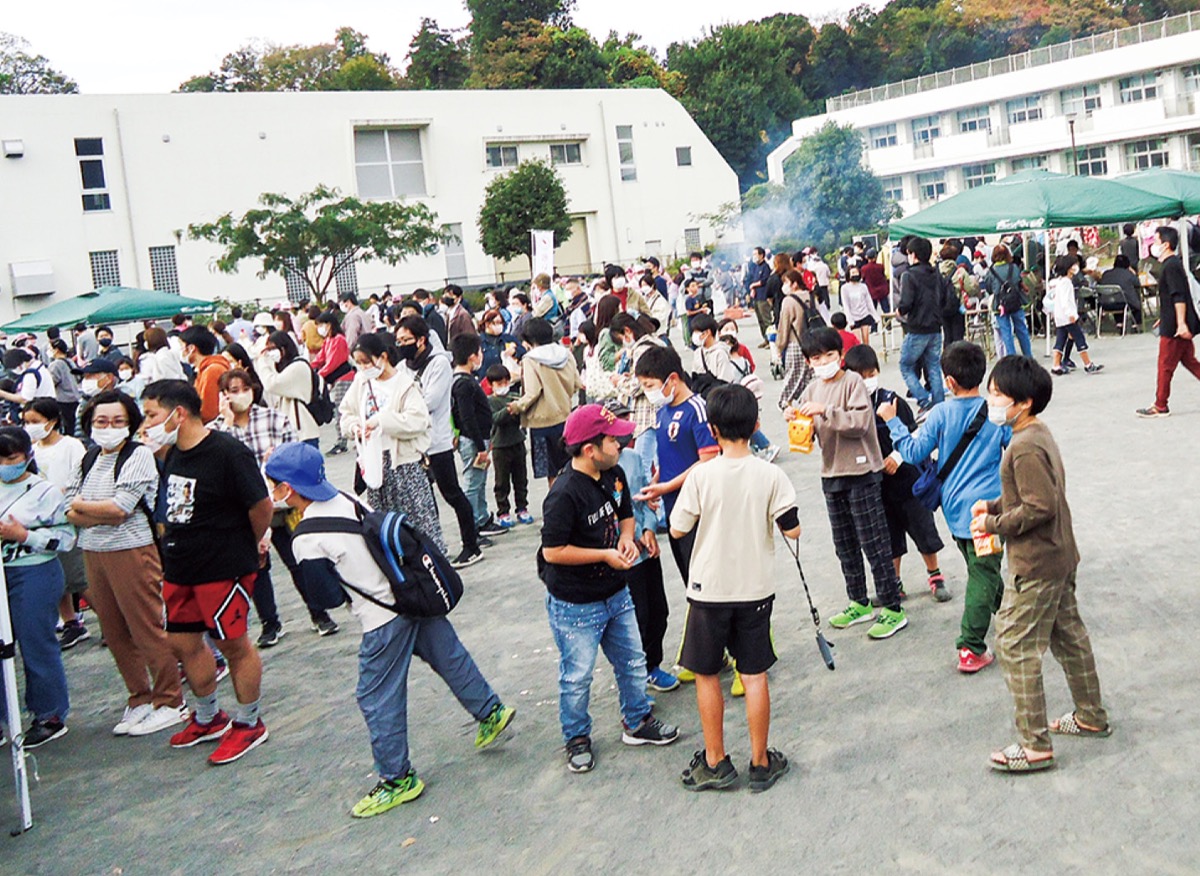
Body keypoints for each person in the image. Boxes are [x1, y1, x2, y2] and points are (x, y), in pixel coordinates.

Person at [264, 444, 515, 818]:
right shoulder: (348, 499)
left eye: (274, 485)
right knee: (449, 656)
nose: (272, 491)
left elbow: (327, 598)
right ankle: (491, 712)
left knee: (375, 695)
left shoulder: (305, 537)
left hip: (381, 618)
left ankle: (397, 779)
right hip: (410, 595)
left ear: (288, 488)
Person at [971, 356, 1110, 772]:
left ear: (1024, 402)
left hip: (1036, 562)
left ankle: (1034, 745)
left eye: (999, 394)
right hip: (1059, 553)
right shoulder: (1035, 433)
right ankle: (1090, 715)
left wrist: (993, 523)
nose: (992, 400)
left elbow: (1038, 506)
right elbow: (1033, 493)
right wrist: (995, 505)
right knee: (1068, 635)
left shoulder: (1024, 445)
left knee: (1014, 645)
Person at [670, 385, 799, 791]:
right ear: (756, 424)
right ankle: (761, 762)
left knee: (707, 673)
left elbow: (677, 527)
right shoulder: (771, 475)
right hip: (755, 588)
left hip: (708, 590)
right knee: (755, 673)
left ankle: (715, 761)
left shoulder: (701, 475)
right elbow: (793, 529)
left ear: (712, 429)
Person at [539, 404, 680, 774]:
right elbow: (553, 552)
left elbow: (626, 514)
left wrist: (627, 539)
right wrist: (604, 554)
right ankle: (576, 737)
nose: (622, 444)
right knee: (577, 676)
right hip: (575, 604)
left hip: (617, 593)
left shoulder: (614, 473)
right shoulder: (563, 494)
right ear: (590, 449)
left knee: (633, 661)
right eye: (613, 440)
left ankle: (637, 720)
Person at [141, 380, 273, 765]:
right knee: (182, 642)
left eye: (151, 415)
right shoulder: (172, 453)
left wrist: (250, 544)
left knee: (233, 644)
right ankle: (208, 716)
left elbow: (261, 506)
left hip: (223, 566)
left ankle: (249, 722)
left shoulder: (228, 452)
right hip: (181, 566)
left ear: (178, 414)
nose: (146, 425)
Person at [880, 341, 1009, 672]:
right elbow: (1016, 449)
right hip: (988, 512)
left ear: (949, 381)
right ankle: (971, 645)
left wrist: (893, 422)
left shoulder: (940, 414)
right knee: (984, 572)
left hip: (954, 510)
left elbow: (913, 452)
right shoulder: (997, 415)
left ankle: (1009, 614)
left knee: (981, 569)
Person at [64, 390, 187, 736]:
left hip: (132, 549)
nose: (109, 427)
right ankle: (140, 696)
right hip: (93, 550)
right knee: (114, 630)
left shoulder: (138, 455)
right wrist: (91, 510)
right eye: (101, 421)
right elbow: (68, 506)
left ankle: (170, 699)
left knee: (147, 626)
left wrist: (83, 507)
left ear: (130, 423)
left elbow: (120, 508)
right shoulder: (88, 458)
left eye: (118, 421)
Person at [212, 368, 338, 642]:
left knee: (298, 561)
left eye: (244, 389)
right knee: (257, 569)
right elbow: (220, 465)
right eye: (232, 391)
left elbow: (293, 458)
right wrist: (228, 423)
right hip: (246, 511)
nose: (240, 395)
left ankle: (319, 613)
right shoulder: (217, 430)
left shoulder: (274, 419)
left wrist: (276, 461)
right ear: (222, 396)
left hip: (281, 506)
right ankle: (270, 623)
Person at [796, 328, 906, 640]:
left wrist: (825, 411)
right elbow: (808, 429)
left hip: (862, 473)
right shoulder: (811, 389)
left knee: (874, 542)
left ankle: (893, 607)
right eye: (816, 358)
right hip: (831, 473)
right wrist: (797, 419)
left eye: (829, 355)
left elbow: (859, 423)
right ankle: (858, 601)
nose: (823, 362)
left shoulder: (853, 382)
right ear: (808, 362)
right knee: (844, 543)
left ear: (841, 355)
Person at [842, 346, 949, 603]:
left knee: (923, 529)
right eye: (860, 376)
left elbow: (915, 433)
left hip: (908, 480)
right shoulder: (847, 407)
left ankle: (935, 575)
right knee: (888, 536)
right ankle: (894, 582)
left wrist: (898, 457)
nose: (867, 380)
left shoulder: (892, 400)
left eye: (871, 374)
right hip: (876, 485)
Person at [0, 426, 76, 748]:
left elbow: (67, 539)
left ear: (27, 456)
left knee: (36, 642)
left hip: (34, 571)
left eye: (11, 458)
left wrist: (24, 536)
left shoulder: (45, 491)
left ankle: (49, 714)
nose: (5, 465)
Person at [599, 397, 676, 693]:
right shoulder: (596, 469)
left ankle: (652, 666)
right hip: (622, 557)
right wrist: (624, 539)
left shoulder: (631, 458)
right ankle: (634, 677)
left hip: (645, 550)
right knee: (635, 618)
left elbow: (645, 498)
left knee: (658, 611)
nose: (624, 433)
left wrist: (648, 529)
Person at [397, 316, 482, 567]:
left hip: (436, 441)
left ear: (421, 340)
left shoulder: (439, 363)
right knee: (423, 500)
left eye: (406, 340)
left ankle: (471, 545)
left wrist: (405, 407)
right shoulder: (403, 367)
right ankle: (434, 548)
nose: (401, 345)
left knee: (452, 493)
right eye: (398, 340)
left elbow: (430, 402)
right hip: (412, 443)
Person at [22, 399, 90, 648]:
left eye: (35, 421)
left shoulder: (70, 446)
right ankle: (71, 622)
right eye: (27, 422)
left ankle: (110, 622)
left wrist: (65, 494)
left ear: (52, 421)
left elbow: (82, 476)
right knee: (59, 576)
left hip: (67, 515)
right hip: (43, 520)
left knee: (79, 575)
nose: (30, 426)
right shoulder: (31, 450)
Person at [507, 317, 584, 491]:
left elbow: (532, 392)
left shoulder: (531, 360)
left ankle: (559, 504)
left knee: (552, 473)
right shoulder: (566, 354)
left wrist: (516, 406)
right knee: (571, 467)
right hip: (566, 418)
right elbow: (577, 383)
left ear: (529, 340)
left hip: (542, 424)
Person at [1136, 225, 1200, 418]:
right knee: (1190, 362)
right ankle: (1160, 403)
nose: (1153, 245)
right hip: (1172, 321)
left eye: (1156, 241)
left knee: (1165, 365)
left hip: (1174, 327)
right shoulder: (1171, 265)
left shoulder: (1171, 266)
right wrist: (1163, 317)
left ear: (1165, 244)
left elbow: (1178, 296)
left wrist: (1180, 323)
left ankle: (1160, 404)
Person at [450, 334, 506, 539]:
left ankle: (482, 519)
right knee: (472, 484)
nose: (481, 355)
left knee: (479, 481)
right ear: (472, 356)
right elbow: (467, 417)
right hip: (473, 440)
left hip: (479, 438)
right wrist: (480, 447)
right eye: (480, 352)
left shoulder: (466, 380)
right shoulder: (463, 383)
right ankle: (471, 527)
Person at [897, 237, 946, 414]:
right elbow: (944, 299)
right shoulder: (936, 274)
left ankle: (924, 401)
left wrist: (899, 311)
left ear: (913, 254)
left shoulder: (909, 275)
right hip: (935, 327)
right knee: (933, 367)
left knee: (905, 365)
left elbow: (906, 302)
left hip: (917, 328)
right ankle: (939, 404)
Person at [485, 364, 531, 528]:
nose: (503, 386)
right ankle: (503, 511)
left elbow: (523, 414)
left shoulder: (514, 397)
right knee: (502, 482)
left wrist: (518, 408)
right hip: (500, 447)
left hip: (517, 442)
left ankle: (522, 507)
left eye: (505, 382)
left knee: (521, 479)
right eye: (499, 383)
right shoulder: (490, 401)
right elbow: (495, 419)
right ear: (491, 384)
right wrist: (509, 410)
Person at [256, 331, 321, 446]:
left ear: (283, 348)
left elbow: (271, 384)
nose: (270, 353)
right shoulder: (287, 368)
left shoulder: (298, 367)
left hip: (303, 432)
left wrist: (261, 361)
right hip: (293, 432)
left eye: (273, 349)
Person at [1047, 256, 1104, 376]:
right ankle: (1088, 364)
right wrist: (1071, 314)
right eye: (1073, 265)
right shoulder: (1066, 283)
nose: (1076, 267)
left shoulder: (1060, 281)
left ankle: (1056, 365)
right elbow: (1066, 301)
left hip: (1060, 317)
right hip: (1068, 317)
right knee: (1079, 339)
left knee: (1060, 341)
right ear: (1068, 268)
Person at [310, 311, 353, 456]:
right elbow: (320, 359)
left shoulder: (339, 340)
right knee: (339, 410)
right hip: (335, 380)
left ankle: (342, 442)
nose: (319, 328)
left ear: (329, 325)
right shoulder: (329, 340)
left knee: (341, 411)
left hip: (344, 378)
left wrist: (317, 375)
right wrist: (306, 367)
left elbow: (333, 363)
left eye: (321, 325)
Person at [776, 268, 817, 413]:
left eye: (786, 282)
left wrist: (779, 347)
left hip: (795, 344)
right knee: (807, 375)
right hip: (812, 342)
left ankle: (785, 402)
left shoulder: (788, 301)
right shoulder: (811, 296)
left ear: (794, 284)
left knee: (792, 375)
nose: (784, 286)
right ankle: (805, 400)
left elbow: (784, 326)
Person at [986, 244, 1033, 358]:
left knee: (1006, 333)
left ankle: (1011, 358)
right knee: (1021, 329)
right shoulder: (1014, 267)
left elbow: (989, 288)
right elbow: (1018, 282)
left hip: (999, 305)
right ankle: (1028, 356)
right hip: (1015, 301)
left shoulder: (991, 271)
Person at [179, 325, 230, 424]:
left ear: (191, 348)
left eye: (181, 346)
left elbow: (209, 412)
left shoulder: (212, 371)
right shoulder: (203, 370)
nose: (180, 351)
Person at [46, 340, 82, 436]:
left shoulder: (55, 364)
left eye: (50, 349)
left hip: (63, 400)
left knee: (67, 427)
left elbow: (51, 382)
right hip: (75, 397)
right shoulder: (70, 361)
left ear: (56, 350)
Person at [1099, 254, 1143, 329]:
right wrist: (1133, 273)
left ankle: (1119, 322)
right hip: (1123, 304)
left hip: (1105, 304)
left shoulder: (1105, 274)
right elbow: (1138, 283)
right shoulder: (1128, 274)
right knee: (1135, 298)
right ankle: (1136, 323)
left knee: (1115, 296)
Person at [840, 267, 876, 346]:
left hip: (864, 314)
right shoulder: (845, 288)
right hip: (854, 316)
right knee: (857, 341)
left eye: (856, 272)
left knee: (866, 340)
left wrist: (875, 315)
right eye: (853, 273)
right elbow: (846, 305)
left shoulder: (863, 286)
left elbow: (869, 301)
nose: (855, 274)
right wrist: (850, 320)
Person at [745, 248, 772, 343]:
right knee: (760, 320)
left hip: (763, 297)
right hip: (756, 297)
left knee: (766, 319)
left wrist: (754, 285)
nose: (754, 256)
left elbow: (765, 280)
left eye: (755, 254)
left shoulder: (765, 267)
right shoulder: (755, 267)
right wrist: (751, 288)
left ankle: (771, 340)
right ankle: (765, 339)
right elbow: (751, 279)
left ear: (761, 255)